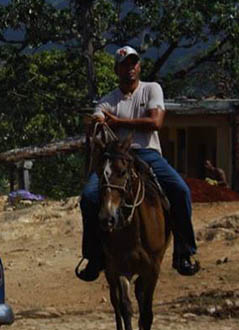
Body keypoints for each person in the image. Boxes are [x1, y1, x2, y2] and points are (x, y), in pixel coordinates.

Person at [76, 45, 200, 281]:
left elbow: (156, 122)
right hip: (117, 157)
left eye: (133, 63)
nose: (129, 69)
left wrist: (119, 122)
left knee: (180, 190)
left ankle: (184, 251)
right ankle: (94, 256)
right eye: (124, 65)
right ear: (116, 70)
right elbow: (97, 118)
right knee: (90, 197)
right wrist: (97, 121)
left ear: (139, 66)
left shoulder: (152, 89)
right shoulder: (108, 100)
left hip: (147, 153)